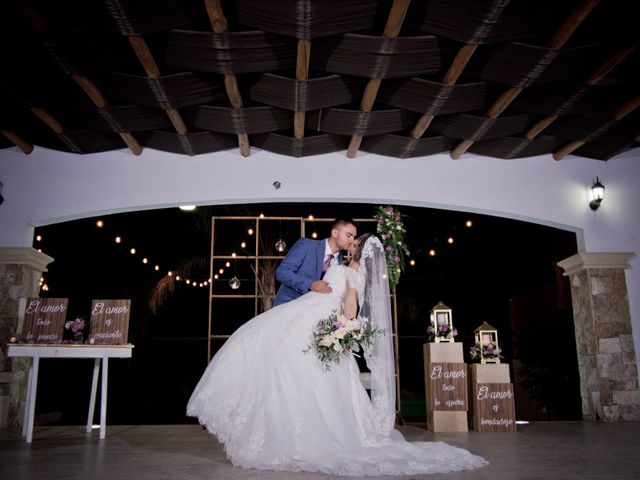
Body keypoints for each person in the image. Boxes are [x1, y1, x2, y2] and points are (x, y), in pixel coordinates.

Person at [187, 234, 488, 476]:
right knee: (276, 359)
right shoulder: (338, 261)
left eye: (356, 239)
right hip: (305, 311)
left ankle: (294, 436)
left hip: (321, 322)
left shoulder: (355, 272)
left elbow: (350, 305)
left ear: (361, 250)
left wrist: (344, 330)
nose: (352, 241)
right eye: (351, 236)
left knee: (297, 370)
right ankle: (280, 430)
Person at [272, 218, 357, 307]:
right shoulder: (306, 245)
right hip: (287, 306)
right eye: (348, 235)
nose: (352, 240)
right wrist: (310, 284)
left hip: (316, 314)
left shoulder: (343, 263)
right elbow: (282, 272)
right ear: (335, 233)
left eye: (354, 237)